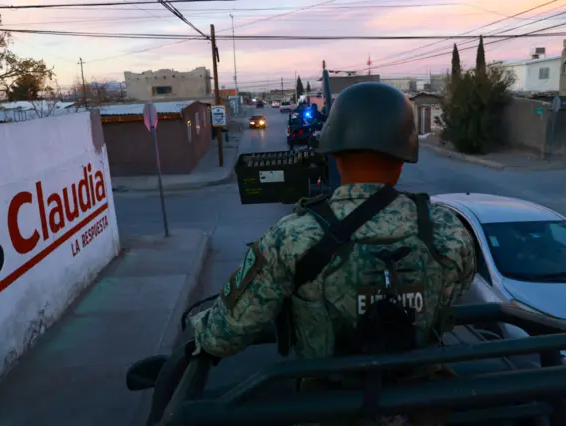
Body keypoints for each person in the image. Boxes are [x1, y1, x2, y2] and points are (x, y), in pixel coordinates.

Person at [189, 82, 476, 425]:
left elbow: (223, 334)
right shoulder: (446, 229)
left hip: (327, 409)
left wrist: (198, 327)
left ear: (334, 152)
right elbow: (453, 293)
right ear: (404, 157)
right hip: (422, 409)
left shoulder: (292, 237)